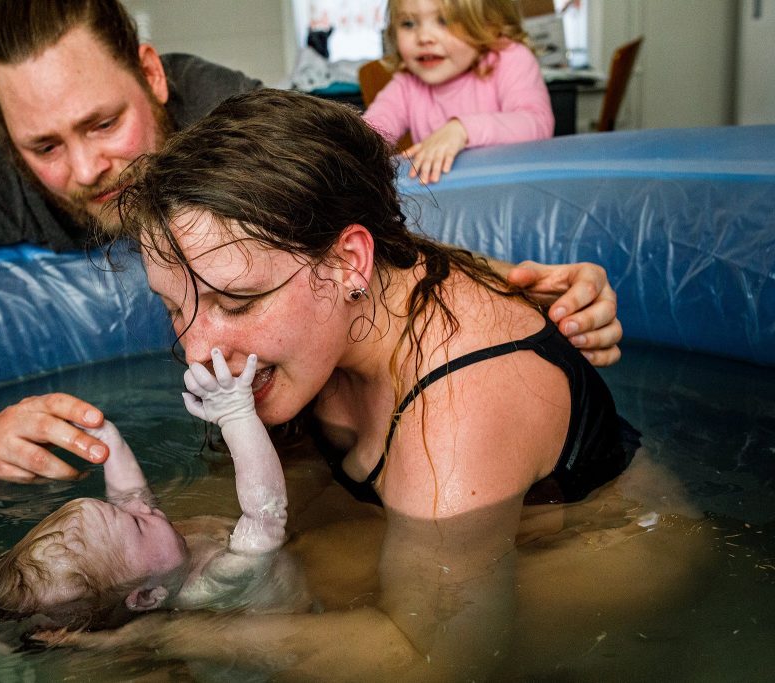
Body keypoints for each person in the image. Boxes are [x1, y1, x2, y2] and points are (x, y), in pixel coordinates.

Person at [0, 0, 619, 485]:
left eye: (104, 122)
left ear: (154, 75)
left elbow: (363, 227)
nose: (88, 168)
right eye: (43, 146)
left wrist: (512, 291)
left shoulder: (229, 118)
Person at [43, 89, 640, 677]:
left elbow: (434, 661)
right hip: (397, 512)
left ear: (349, 260)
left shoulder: (457, 412)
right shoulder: (351, 291)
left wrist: (165, 636)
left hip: (596, 551)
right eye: (174, 307)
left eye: (238, 301)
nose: (197, 351)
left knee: (291, 576)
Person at [0, 350, 309, 648]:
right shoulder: (214, 581)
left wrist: (107, 439)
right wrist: (236, 415)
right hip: (285, 639)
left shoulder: (149, 560)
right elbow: (265, 515)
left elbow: (129, 496)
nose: (138, 505)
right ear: (148, 596)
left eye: (116, 509)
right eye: (135, 522)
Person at [364, 0, 554, 184]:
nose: (424, 38)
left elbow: (538, 123)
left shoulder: (510, 58)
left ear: (489, 23)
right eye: (408, 23)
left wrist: (462, 130)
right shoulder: (407, 82)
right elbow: (368, 134)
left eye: (444, 20)